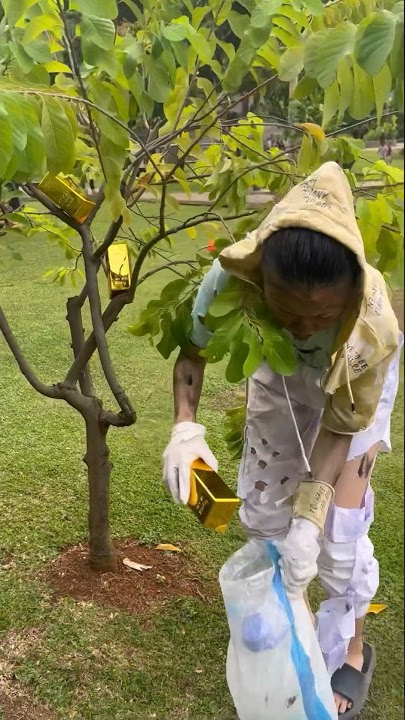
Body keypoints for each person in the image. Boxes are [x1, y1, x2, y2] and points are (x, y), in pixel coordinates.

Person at [162, 162, 402, 718]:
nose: (300, 325)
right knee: (267, 516)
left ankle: (353, 649)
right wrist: (184, 429)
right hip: (279, 374)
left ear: (348, 298)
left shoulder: (373, 328)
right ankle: (285, 627)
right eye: (287, 309)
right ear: (260, 281)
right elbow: (191, 357)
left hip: (349, 390)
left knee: (335, 540)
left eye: (319, 314)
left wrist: (309, 522)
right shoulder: (231, 277)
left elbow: (341, 427)